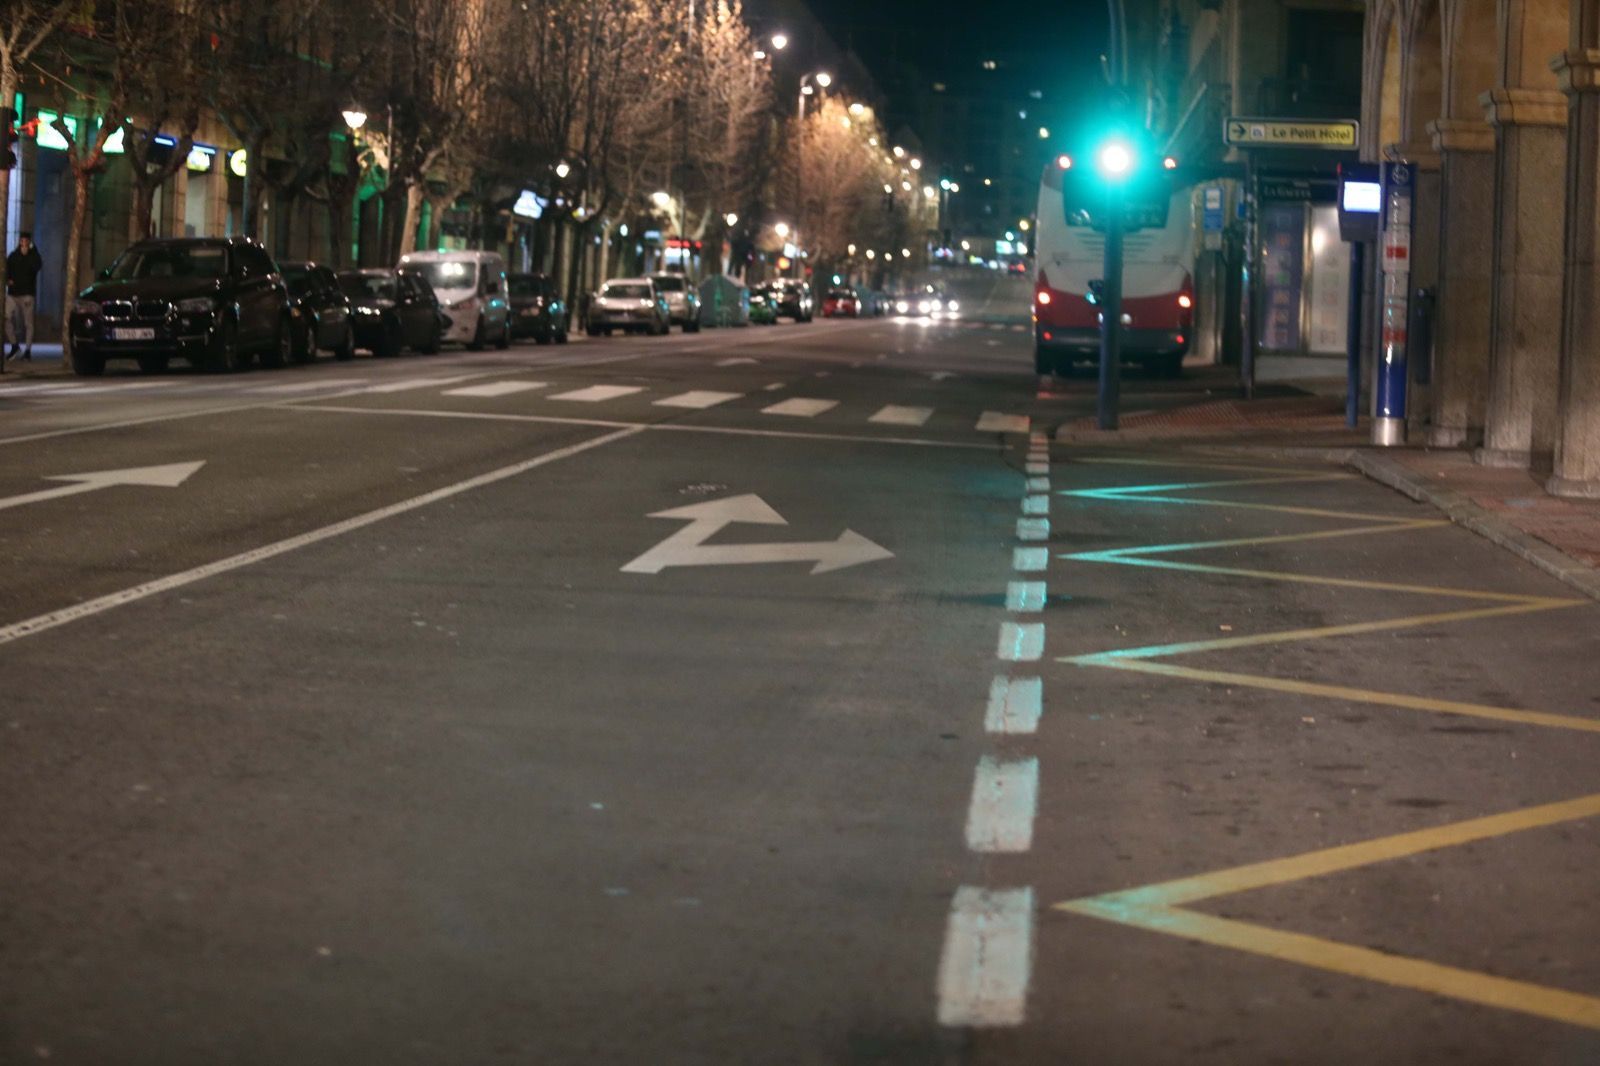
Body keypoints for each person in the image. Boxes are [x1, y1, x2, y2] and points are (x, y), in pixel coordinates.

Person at [6, 232, 43, 362]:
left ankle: (27, 350)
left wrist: (32, 251)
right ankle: (14, 346)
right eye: (22, 241)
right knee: (6, 318)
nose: (24, 243)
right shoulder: (13, 256)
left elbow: (38, 266)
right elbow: (6, 268)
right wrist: (8, 280)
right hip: (13, 293)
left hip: (27, 294)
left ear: (29, 242)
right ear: (19, 242)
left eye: (26, 241)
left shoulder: (33, 256)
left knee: (28, 323)